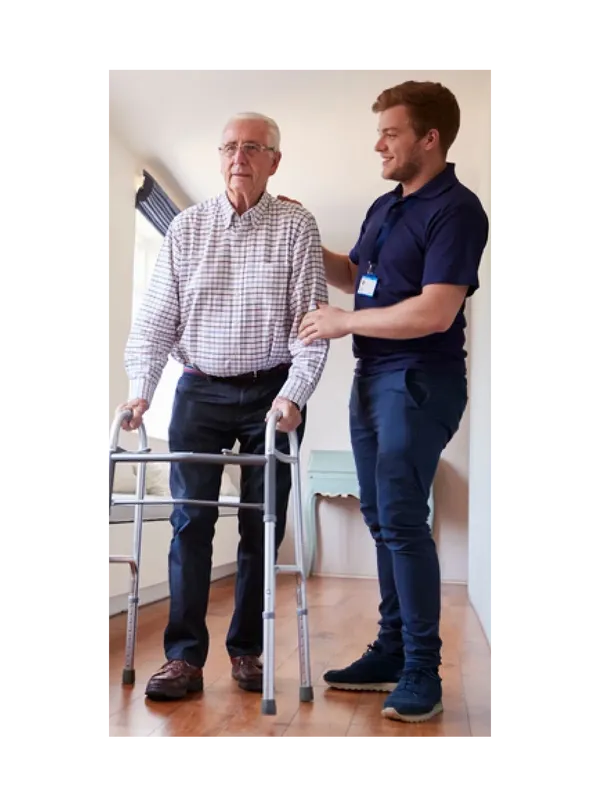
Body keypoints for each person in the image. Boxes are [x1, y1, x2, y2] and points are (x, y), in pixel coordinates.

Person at [286, 80, 489, 722]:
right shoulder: (385, 205)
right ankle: (393, 648)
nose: (379, 144)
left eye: (391, 133)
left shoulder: (457, 210)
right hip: (373, 380)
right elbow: (358, 272)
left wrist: (344, 322)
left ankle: (422, 670)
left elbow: (434, 311)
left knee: (401, 518)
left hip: (419, 380)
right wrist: (299, 238)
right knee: (382, 519)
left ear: (430, 138)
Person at [118, 112, 329, 700]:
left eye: (254, 148)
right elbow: (158, 317)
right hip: (200, 387)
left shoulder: (297, 226)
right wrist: (142, 388)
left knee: (261, 524)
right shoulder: (186, 227)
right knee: (190, 521)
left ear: (274, 162)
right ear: (220, 157)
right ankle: (183, 659)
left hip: (272, 390)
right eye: (231, 147)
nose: (240, 157)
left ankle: (248, 651)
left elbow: (310, 326)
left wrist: (294, 396)